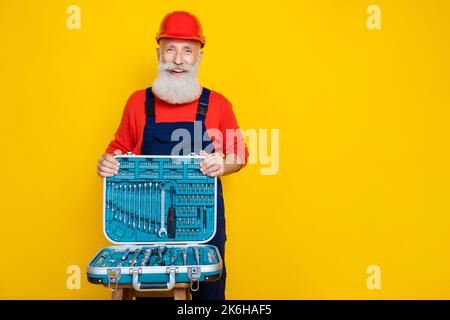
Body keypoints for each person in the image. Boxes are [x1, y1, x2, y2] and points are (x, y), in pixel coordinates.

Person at [96, 11, 248, 300]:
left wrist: (223, 163)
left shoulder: (218, 104)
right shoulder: (137, 103)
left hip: (204, 226)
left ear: (199, 57)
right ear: (159, 54)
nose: (178, 59)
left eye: (187, 50)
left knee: (209, 297)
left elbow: (240, 155)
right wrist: (107, 161)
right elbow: (118, 148)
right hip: (144, 226)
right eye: (171, 49)